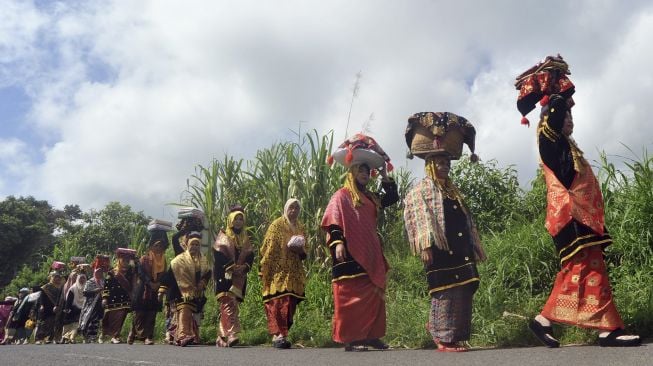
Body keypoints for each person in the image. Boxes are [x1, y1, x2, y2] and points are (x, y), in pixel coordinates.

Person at [515, 55, 640, 347]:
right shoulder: (549, 141)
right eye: (565, 117)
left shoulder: (569, 147)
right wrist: (554, 91)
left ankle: (602, 327)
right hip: (571, 217)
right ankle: (556, 320)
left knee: (589, 268)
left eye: (571, 117)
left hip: (583, 218)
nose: (569, 120)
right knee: (584, 269)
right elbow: (555, 114)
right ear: (551, 120)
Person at [403, 111, 486, 352]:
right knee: (444, 290)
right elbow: (418, 217)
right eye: (439, 163)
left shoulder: (453, 191)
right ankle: (441, 336)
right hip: (440, 249)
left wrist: (474, 244)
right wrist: (426, 245)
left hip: (460, 248)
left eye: (447, 163)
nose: (444, 166)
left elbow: (466, 220)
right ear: (430, 165)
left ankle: (455, 336)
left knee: (463, 289)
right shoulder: (421, 191)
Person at [322, 133, 399, 351]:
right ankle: (352, 339)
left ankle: (371, 336)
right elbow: (333, 221)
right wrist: (337, 242)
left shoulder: (371, 198)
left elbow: (392, 199)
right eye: (361, 170)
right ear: (352, 172)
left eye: (367, 171)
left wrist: (385, 174)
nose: (365, 174)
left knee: (373, 296)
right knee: (349, 296)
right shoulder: (341, 196)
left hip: (371, 253)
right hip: (346, 253)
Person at [260, 198, 307, 349]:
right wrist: (264, 267)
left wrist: (300, 250)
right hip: (277, 271)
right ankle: (278, 335)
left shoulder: (300, 226)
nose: (294, 211)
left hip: (294, 271)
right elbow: (268, 246)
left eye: (296, 208)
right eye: (291, 208)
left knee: (291, 302)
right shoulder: (277, 225)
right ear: (286, 208)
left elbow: (305, 251)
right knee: (280, 301)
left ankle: (282, 335)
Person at [213, 206, 254, 347]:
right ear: (230, 220)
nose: (238, 221)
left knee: (232, 305)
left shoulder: (245, 238)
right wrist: (231, 266)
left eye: (241, 219)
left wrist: (244, 267)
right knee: (228, 302)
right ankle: (231, 334)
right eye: (236, 218)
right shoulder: (223, 236)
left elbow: (250, 256)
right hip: (225, 276)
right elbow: (218, 255)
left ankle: (221, 337)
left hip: (240, 277)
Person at [129, 220, 172, 345]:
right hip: (144, 289)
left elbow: (164, 274)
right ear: (151, 246)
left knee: (151, 313)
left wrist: (159, 283)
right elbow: (141, 273)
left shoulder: (163, 260)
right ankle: (134, 332)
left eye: (161, 246)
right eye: (156, 245)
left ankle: (147, 336)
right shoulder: (144, 258)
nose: (159, 248)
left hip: (156, 289)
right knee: (140, 313)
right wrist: (150, 283)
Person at [170, 231, 211, 346]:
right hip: (182, 292)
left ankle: (194, 336)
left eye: (197, 245)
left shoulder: (203, 260)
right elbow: (171, 274)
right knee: (185, 311)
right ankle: (183, 336)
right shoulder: (179, 259)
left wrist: (203, 282)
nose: (194, 247)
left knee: (197, 316)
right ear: (187, 245)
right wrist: (163, 289)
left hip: (197, 292)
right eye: (192, 244)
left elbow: (208, 273)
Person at [102, 248, 137, 344]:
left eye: (127, 261)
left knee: (121, 317)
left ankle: (116, 335)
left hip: (124, 299)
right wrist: (105, 298)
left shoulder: (131, 272)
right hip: (112, 299)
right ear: (119, 260)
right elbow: (106, 285)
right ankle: (109, 335)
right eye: (123, 260)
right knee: (110, 318)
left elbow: (133, 285)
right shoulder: (112, 272)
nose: (125, 262)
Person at [79, 255, 109, 343]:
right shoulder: (90, 281)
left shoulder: (105, 281)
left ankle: (95, 337)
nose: (99, 274)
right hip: (91, 304)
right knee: (89, 319)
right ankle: (87, 336)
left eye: (100, 272)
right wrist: (95, 291)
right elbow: (85, 293)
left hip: (101, 304)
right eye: (97, 272)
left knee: (98, 320)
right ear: (95, 273)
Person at [34, 270, 64, 344]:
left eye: (58, 277)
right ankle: (39, 339)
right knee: (44, 323)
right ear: (51, 278)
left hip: (57, 307)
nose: (57, 279)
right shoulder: (46, 287)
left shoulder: (61, 287)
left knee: (55, 323)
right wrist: (41, 305)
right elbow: (41, 297)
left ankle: (51, 338)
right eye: (55, 277)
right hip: (46, 307)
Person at [61, 273, 87, 343]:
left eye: (83, 278)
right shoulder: (73, 288)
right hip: (72, 309)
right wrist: (67, 309)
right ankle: (66, 337)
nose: (82, 280)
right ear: (77, 279)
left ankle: (70, 337)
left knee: (77, 324)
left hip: (83, 308)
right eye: (80, 278)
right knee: (69, 324)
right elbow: (69, 300)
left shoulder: (86, 288)